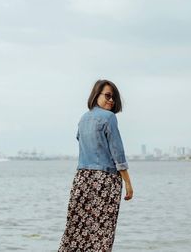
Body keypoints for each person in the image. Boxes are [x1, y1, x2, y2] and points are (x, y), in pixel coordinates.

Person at [59, 79, 133, 252]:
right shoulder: (109, 117)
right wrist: (128, 183)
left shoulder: (83, 119)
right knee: (102, 232)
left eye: (114, 98)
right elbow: (118, 153)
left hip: (81, 179)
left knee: (76, 229)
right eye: (107, 95)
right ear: (96, 95)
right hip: (105, 181)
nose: (111, 101)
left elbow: (80, 140)